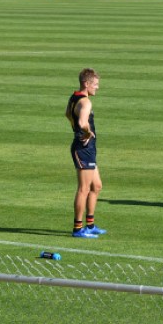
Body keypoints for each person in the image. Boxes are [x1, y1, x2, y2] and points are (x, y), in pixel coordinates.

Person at [66, 68, 106, 238]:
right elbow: (82, 122)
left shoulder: (75, 97)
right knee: (83, 189)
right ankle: (78, 228)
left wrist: (76, 127)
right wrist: (87, 132)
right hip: (83, 148)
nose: (97, 87)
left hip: (87, 148)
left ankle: (90, 224)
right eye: (95, 84)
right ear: (86, 83)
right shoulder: (85, 102)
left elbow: (68, 114)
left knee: (96, 186)